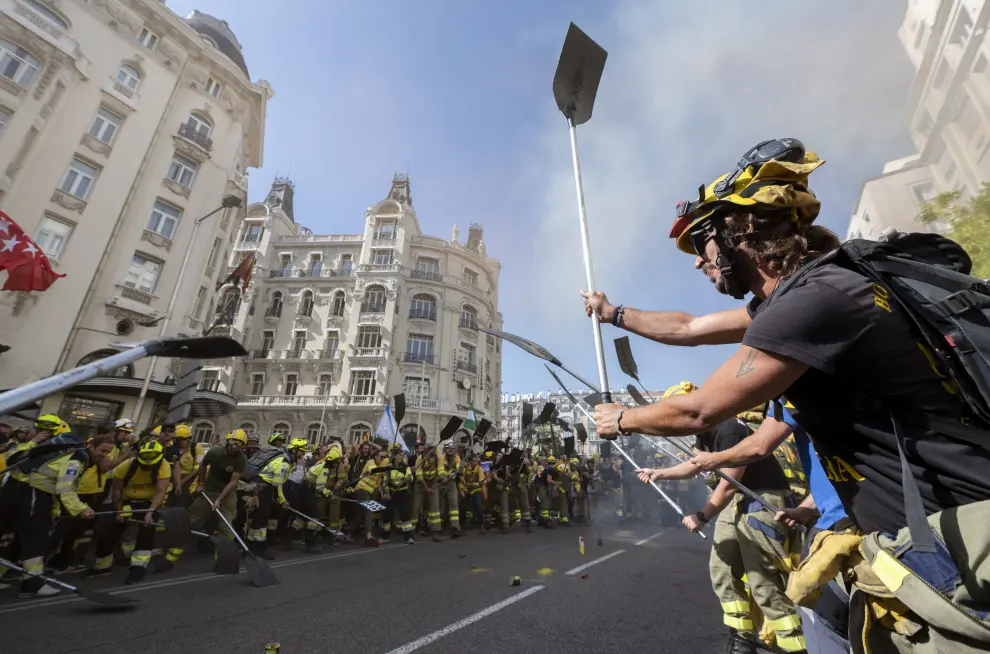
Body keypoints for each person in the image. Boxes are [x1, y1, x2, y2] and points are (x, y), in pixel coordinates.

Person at [584, 138, 990, 652]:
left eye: (702, 241)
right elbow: (688, 327)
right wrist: (613, 312)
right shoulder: (804, 294)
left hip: (958, 549)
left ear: (742, 228)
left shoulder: (819, 299)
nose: (698, 262)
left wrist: (623, 418)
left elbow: (699, 409)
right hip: (918, 545)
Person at [638, 382, 805, 653]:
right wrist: (659, 473)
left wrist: (702, 516)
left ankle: (795, 646)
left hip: (759, 501)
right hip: (734, 503)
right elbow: (695, 465)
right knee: (722, 570)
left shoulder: (731, 429)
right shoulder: (705, 435)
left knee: (762, 579)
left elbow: (728, 483)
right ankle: (742, 638)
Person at [0, 432, 114, 596]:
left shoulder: (69, 452)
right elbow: (65, 488)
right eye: (102, 451)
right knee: (36, 539)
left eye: (107, 453)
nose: (104, 456)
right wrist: (81, 509)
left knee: (13, 536)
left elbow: (52, 484)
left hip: (15, 489)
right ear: (91, 445)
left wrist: (54, 510)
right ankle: (32, 586)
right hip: (33, 493)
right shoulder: (77, 459)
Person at [154, 429, 248, 572]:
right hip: (208, 491)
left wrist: (219, 500)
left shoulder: (241, 459)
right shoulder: (215, 452)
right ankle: (170, 558)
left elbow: (233, 482)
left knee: (226, 529)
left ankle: (223, 562)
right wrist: (200, 483)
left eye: (240, 445)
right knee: (190, 522)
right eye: (234, 443)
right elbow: (203, 465)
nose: (236, 447)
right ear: (228, 442)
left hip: (227, 495)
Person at [88, 440, 171, 585]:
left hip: (149, 502)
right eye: (144, 463)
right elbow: (117, 491)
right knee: (109, 530)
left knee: (146, 531)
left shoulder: (163, 466)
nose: (147, 465)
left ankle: (138, 567)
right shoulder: (125, 466)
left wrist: (150, 513)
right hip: (126, 499)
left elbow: (160, 492)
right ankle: (102, 566)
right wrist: (119, 510)